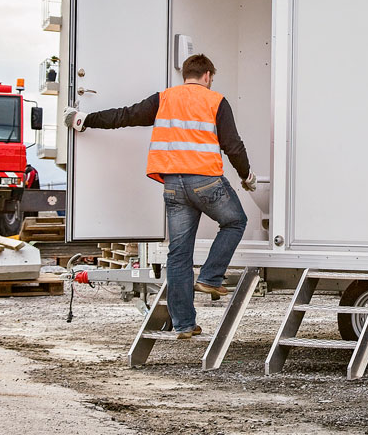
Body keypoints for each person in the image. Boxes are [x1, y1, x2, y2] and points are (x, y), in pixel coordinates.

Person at [63, 54, 257, 339]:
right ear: (207, 76)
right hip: (205, 181)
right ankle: (210, 277)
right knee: (235, 221)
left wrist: (85, 120)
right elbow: (233, 145)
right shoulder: (216, 100)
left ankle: (184, 325)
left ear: (186, 75)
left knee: (178, 255)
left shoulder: (164, 99)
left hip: (172, 185)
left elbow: (124, 116)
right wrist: (246, 175)